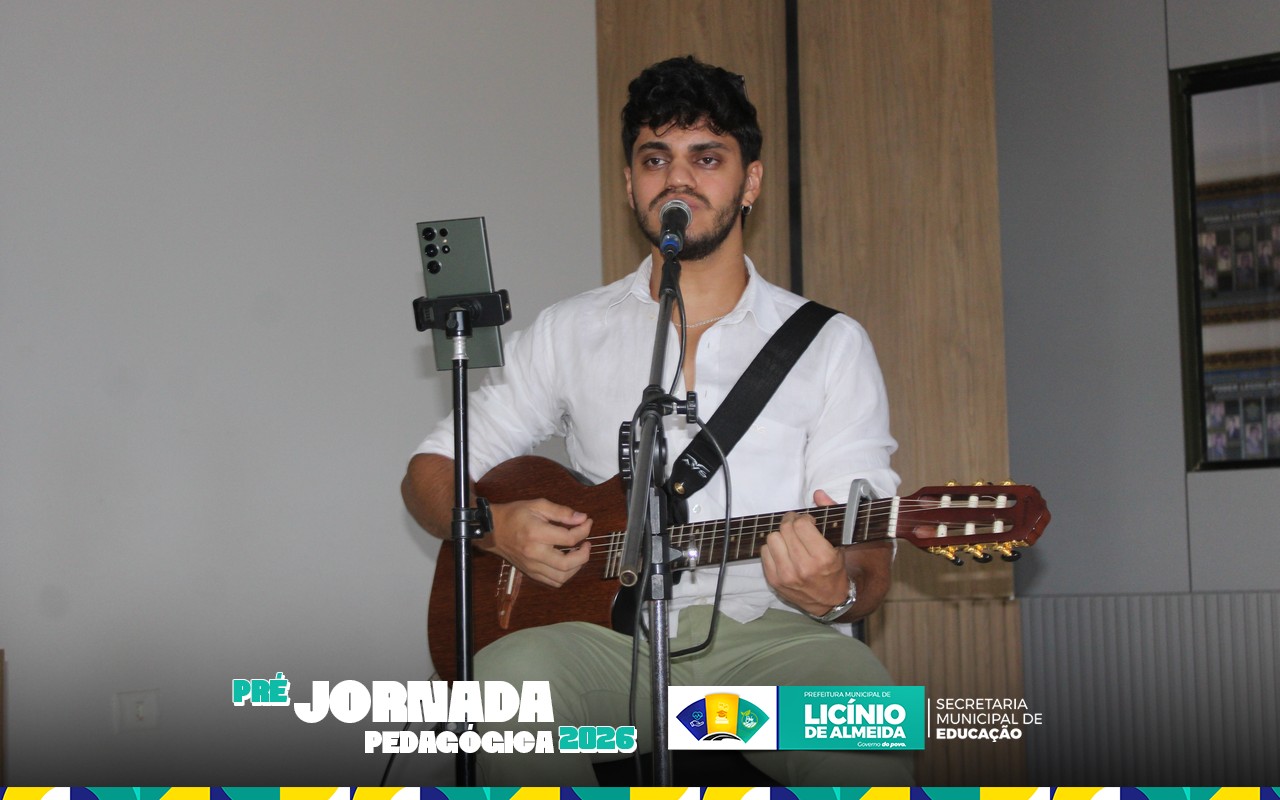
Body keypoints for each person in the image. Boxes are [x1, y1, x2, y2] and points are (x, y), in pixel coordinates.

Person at [402, 55, 914, 786]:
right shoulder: (570, 330)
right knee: (506, 681)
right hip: (610, 644)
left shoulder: (830, 344)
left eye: (706, 158)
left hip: (770, 642)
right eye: (655, 159)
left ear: (750, 182)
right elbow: (429, 472)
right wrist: (493, 527)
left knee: (866, 719)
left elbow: (867, 554)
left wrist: (838, 591)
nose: (678, 179)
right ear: (629, 185)